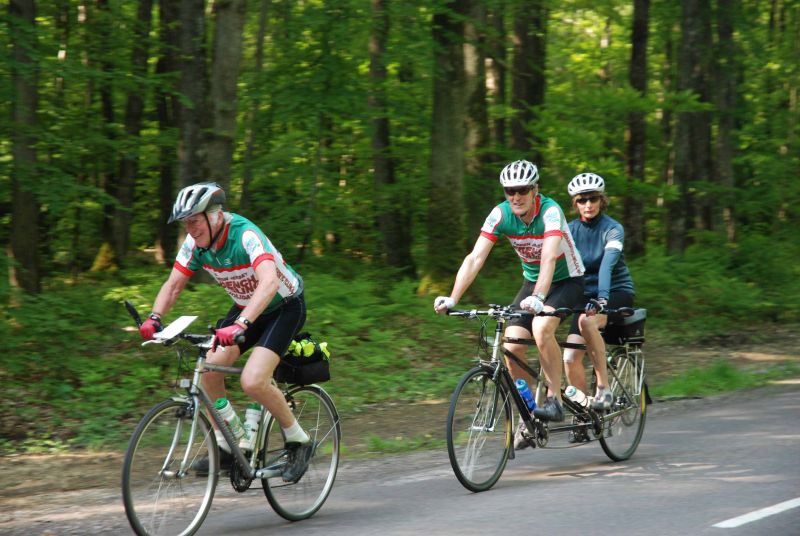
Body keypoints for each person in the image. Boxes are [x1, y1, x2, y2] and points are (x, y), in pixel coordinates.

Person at [139, 182, 313, 479]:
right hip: (247, 307)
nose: (191, 229)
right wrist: (155, 317)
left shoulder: (245, 235)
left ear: (215, 215)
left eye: (195, 221)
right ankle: (228, 444)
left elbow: (269, 283)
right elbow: (173, 285)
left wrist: (241, 324)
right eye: (185, 223)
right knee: (209, 370)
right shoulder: (195, 244)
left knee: (253, 381)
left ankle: (299, 440)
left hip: (284, 306)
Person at [433, 160, 585, 449]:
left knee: (542, 329)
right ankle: (530, 415)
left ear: (535, 190)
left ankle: (554, 400)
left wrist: (539, 298)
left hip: (568, 281)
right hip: (532, 282)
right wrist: (453, 297)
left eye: (522, 190)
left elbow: (550, 257)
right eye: (509, 191)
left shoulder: (550, 211)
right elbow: (475, 258)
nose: (515, 196)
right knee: (511, 345)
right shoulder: (500, 214)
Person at [562, 173, 635, 442]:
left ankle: (603, 387)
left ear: (601, 200)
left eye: (593, 199)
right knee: (569, 358)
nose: (588, 204)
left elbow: (606, 265)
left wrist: (602, 298)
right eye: (582, 200)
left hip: (615, 293)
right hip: (584, 297)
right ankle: (583, 416)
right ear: (575, 203)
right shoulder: (569, 231)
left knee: (586, 322)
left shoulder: (613, 228)